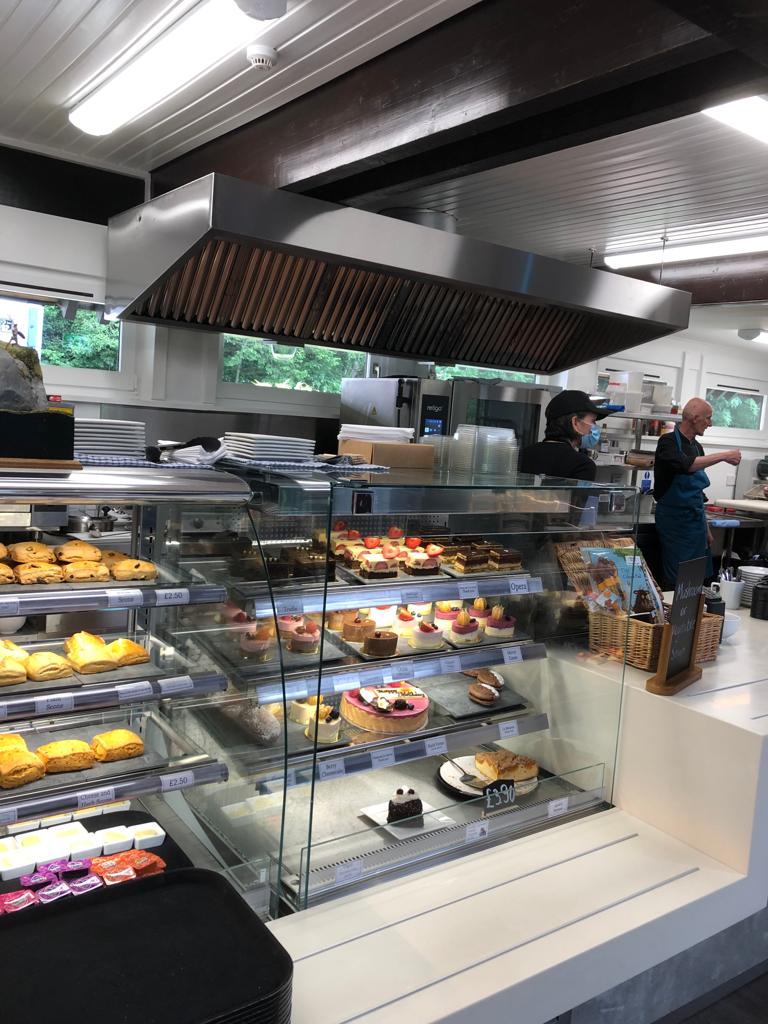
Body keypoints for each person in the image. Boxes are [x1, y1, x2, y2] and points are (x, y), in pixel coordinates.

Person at [654, 398, 741, 586]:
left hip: (695, 523)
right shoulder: (668, 442)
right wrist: (725, 455)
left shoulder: (697, 447)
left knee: (696, 576)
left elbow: (697, 495)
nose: (710, 423)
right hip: (674, 522)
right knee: (677, 577)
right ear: (694, 418)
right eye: (708, 418)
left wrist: (705, 529)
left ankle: (694, 606)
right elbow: (686, 465)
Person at [519, 390, 609, 481]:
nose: (594, 427)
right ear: (575, 423)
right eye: (592, 421)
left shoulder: (522, 455)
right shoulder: (583, 465)